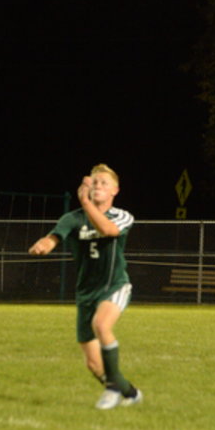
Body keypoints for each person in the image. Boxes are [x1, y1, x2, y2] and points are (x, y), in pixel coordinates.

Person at [29, 164, 142, 410]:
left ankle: (112, 389)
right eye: (94, 181)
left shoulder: (122, 216)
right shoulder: (72, 218)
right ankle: (130, 392)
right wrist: (45, 244)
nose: (98, 185)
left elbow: (108, 230)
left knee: (101, 325)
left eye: (103, 182)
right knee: (93, 364)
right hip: (85, 293)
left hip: (114, 285)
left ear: (115, 190)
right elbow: (55, 237)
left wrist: (86, 202)